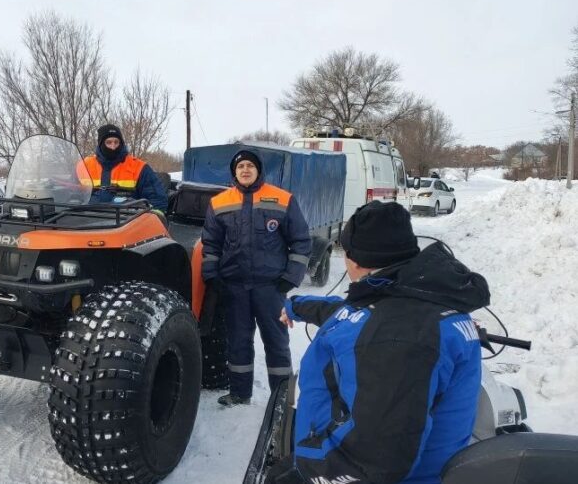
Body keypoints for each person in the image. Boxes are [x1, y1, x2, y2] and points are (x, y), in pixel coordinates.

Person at [281, 201, 487, 484]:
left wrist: (311, 473)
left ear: (353, 259)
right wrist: (297, 306)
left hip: (340, 464)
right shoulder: (411, 293)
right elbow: (351, 312)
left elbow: (374, 458)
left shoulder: (395, 340)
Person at [201, 149, 312, 406]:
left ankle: (282, 398)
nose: (245, 170)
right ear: (234, 172)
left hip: (270, 287)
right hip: (234, 286)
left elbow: (301, 242)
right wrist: (212, 275)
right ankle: (240, 394)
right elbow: (211, 245)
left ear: (259, 170)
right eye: (240, 167)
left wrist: (291, 277)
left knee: (276, 342)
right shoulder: (219, 203)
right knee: (238, 342)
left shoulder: (282, 199)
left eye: (250, 166)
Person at [78, 124, 168, 213]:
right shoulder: (84, 166)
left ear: (121, 143)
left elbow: (157, 200)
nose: (113, 147)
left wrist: (150, 217)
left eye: (116, 142)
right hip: (87, 219)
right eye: (108, 142)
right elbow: (70, 193)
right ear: (101, 144)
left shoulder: (139, 167)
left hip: (126, 221)